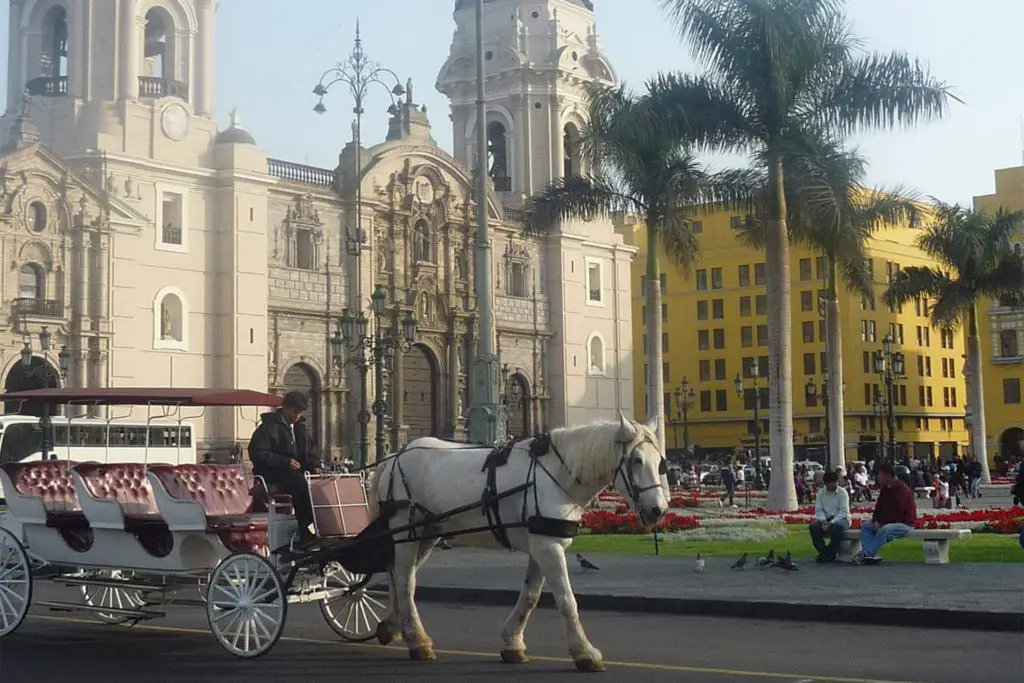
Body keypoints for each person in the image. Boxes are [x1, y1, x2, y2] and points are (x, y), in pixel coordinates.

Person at [248, 391, 322, 546]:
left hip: (295, 473)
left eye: (300, 413)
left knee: (319, 483)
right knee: (300, 483)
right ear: (285, 408)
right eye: (294, 412)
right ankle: (305, 529)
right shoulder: (268, 428)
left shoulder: (301, 428)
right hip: (274, 473)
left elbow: (310, 452)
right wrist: (284, 461)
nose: (296, 416)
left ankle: (320, 524)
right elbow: (257, 453)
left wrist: (315, 466)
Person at [853, 462, 917, 565]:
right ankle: (869, 555)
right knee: (866, 527)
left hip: (905, 523)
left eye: (879, 474)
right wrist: (875, 520)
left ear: (887, 475)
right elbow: (879, 506)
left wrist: (881, 523)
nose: (878, 477)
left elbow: (897, 511)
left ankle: (866, 554)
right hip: (887, 522)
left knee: (885, 529)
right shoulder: (885, 488)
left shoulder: (902, 489)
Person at [809, 470, 851, 562]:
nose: (836, 484)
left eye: (836, 482)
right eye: (833, 483)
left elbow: (843, 511)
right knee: (813, 527)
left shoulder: (842, 493)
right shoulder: (821, 493)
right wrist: (824, 521)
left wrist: (831, 523)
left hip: (842, 519)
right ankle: (824, 552)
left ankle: (829, 554)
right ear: (826, 484)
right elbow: (819, 509)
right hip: (825, 518)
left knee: (837, 527)